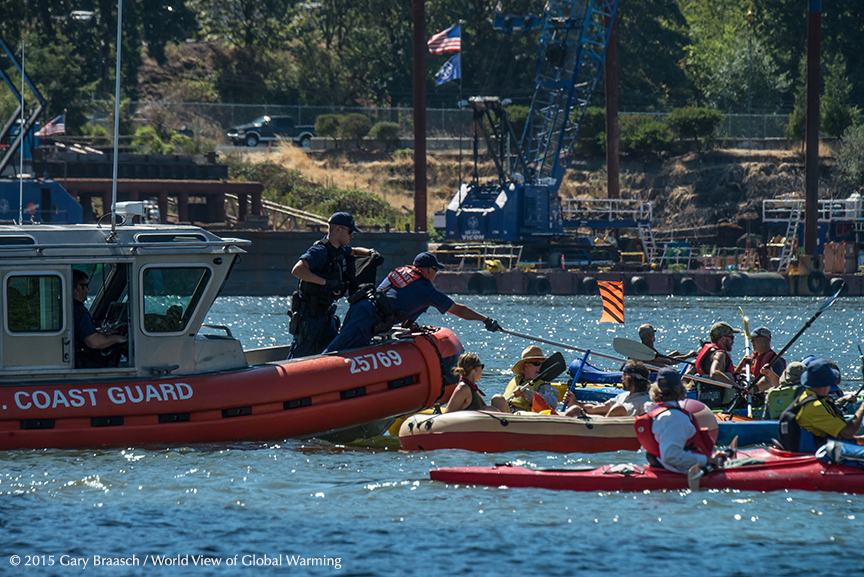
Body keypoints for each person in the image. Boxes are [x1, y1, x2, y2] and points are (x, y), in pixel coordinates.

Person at [323, 252, 501, 353]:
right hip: (367, 318)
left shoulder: (400, 271)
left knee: (339, 346)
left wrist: (409, 324)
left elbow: (396, 300)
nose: (435, 274)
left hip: (359, 307)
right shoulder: (424, 288)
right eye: (435, 270)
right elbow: (458, 310)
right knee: (336, 353)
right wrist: (485, 319)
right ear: (426, 269)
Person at [287, 212, 378, 359]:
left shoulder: (340, 250)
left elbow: (354, 251)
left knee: (331, 352)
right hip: (310, 317)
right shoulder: (320, 251)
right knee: (301, 353)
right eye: (350, 232)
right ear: (338, 229)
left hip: (326, 316)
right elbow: (297, 270)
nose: (351, 236)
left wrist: (370, 253)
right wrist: (325, 282)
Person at [635, 368, 727, 474]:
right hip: (679, 472)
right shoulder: (674, 417)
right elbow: (671, 456)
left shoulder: (657, 413)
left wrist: (711, 457)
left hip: (668, 469)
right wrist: (707, 460)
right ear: (680, 389)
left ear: (655, 390)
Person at [778, 358, 864, 452]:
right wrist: (862, 408)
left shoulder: (804, 397)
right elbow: (848, 432)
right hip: (819, 456)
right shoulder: (817, 406)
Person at [72, 270, 127, 368]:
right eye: (86, 285)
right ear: (79, 288)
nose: (88, 289)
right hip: (86, 362)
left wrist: (104, 335)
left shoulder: (70, 308)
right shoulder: (79, 312)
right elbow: (94, 342)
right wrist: (117, 339)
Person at [563, 360, 652, 417]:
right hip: (603, 429)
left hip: (619, 435)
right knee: (574, 410)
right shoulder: (622, 396)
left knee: (618, 409)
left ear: (632, 377)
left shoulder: (646, 401)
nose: (621, 379)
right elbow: (597, 408)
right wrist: (574, 402)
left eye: (624, 376)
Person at [687, 321, 741, 406]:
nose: (733, 342)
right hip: (725, 403)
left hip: (704, 399)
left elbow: (685, 378)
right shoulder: (720, 354)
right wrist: (736, 386)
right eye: (731, 337)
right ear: (723, 339)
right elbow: (715, 373)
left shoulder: (706, 353)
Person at [444, 352, 510, 413]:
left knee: (498, 399)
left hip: (481, 423)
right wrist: (483, 411)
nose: (482, 370)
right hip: (471, 424)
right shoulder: (463, 388)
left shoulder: (472, 388)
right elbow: (448, 415)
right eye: (482, 367)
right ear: (476, 368)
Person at [503, 346, 559, 412]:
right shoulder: (515, 381)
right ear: (525, 365)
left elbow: (552, 404)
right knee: (497, 398)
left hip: (525, 418)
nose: (540, 367)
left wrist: (525, 392)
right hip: (505, 415)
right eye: (537, 364)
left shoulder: (543, 386)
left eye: (542, 364)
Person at [734, 326, 786, 393]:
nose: (752, 341)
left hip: (764, 394)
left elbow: (778, 383)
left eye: (755, 339)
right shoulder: (755, 357)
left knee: (765, 380)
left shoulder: (775, 361)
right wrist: (740, 365)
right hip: (751, 388)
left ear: (766, 340)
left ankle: (752, 390)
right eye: (751, 339)